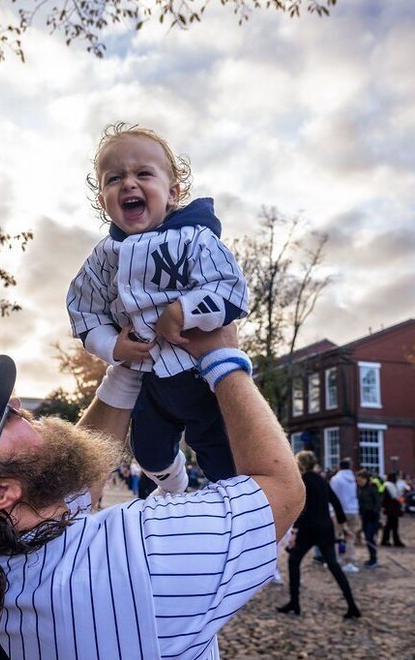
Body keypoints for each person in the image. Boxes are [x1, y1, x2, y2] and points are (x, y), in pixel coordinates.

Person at [0, 324, 305, 660]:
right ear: (0, 491)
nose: (17, 405)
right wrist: (222, 357)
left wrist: (126, 369)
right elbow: (280, 490)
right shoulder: (140, 558)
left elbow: (78, 477)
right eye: (2, 419)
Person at [66, 123, 249, 495]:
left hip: (200, 373)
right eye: (114, 178)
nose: (129, 184)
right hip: (149, 375)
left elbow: (231, 289)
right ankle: (175, 486)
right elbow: (84, 311)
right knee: (147, 452)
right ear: (103, 200)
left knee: (221, 453)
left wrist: (183, 311)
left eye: (143, 174)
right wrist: (112, 347)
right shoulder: (104, 256)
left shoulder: (195, 238)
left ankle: (233, 510)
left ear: (172, 193)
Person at [277, 450, 360, 619]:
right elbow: (335, 502)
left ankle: (295, 603)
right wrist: (343, 526)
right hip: (326, 528)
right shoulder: (322, 480)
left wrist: (294, 531)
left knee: (293, 561)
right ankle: (352, 605)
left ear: (299, 465)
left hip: (309, 529)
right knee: (334, 566)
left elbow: (302, 509)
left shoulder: (303, 481)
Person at [330, 458, 360, 572]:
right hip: (353, 510)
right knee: (350, 536)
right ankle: (350, 560)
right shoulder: (353, 479)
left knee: (337, 536)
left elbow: (333, 496)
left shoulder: (336, 479)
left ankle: (337, 559)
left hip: (340, 511)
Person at [356, 469, 381, 568]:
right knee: (367, 537)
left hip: (372, 516)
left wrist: (375, 512)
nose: (359, 482)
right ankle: (371, 558)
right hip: (365, 516)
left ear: (366, 479)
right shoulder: (359, 489)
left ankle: (374, 558)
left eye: (361, 480)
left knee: (370, 537)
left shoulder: (372, 488)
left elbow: (377, 502)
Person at [380, 472, 404, 547]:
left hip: (390, 508)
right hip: (391, 507)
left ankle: (387, 539)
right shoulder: (389, 485)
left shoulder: (387, 485)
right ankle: (389, 540)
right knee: (391, 525)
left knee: (391, 525)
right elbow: (395, 496)